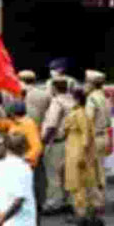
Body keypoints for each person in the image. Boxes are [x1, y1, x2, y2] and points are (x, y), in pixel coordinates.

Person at [63, 88, 103, 220]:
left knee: (78, 184)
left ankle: (81, 213)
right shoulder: (78, 112)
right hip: (75, 149)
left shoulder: (80, 113)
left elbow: (85, 134)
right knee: (80, 183)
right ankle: (87, 210)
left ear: (77, 99)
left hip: (77, 151)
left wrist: (82, 155)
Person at [42, 78, 76, 215]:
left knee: (53, 174)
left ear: (54, 89)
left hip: (57, 143)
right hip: (71, 141)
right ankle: (69, 201)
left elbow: (51, 125)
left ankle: (53, 203)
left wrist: (43, 141)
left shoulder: (57, 102)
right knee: (68, 174)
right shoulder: (72, 101)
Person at [84, 70, 111, 196]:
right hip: (104, 136)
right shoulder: (105, 97)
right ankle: (101, 199)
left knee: (92, 172)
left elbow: (88, 120)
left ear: (91, 84)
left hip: (94, 138)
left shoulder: (92, 99)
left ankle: (95, 205)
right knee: (100, 171)